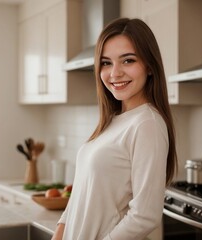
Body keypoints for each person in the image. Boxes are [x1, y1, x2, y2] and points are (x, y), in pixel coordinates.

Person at [51, 18, 177, 240]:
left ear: (149, 66)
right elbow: (80, 196)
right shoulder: (112, 121)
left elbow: (145, 216)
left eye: (128, 61)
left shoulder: (147, 124)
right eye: (106, 63)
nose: (114, 73)